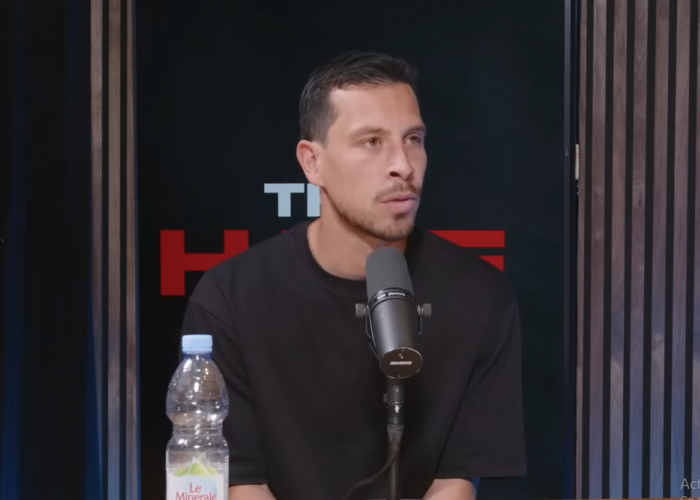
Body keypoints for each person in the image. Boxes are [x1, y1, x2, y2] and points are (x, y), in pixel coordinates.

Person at [181, 51, 526, 500]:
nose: (403, 165)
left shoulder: (480, 296)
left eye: (414, 139)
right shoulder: (229, 298)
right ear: (313, 163)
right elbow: (242, 484)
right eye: (372, 142)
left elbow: (455, 483)